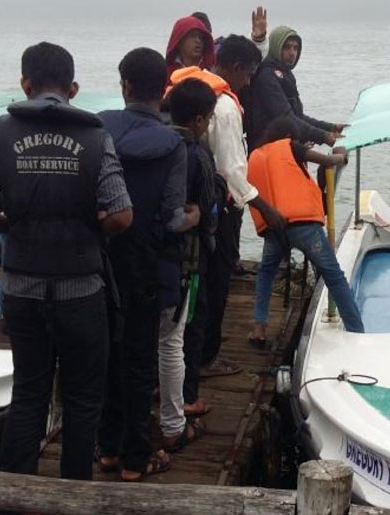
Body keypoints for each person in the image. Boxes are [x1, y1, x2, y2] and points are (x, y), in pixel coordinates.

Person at [0, 42, 133, 515]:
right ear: (73, 89)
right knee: (82, 396)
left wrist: (7, 221)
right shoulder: (95, 136)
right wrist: (90, 229)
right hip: (80, 286)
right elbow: (121, 215)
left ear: (25, 84)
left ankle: (12, 511)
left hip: (21, 286)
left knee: (29, 391)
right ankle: (71, 503)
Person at [98, 47, 198, 480]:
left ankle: (106, 449)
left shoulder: (98, 128)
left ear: (124, 86)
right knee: (141, 362)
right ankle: (136, 460)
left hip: (100, 263)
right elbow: (174, 219)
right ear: (164, 91)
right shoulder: (173, 143)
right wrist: (195, 215)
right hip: (146, 265)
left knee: (107, 357)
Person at [166, 35, 285, 379]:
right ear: (235, 68)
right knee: (215, 282)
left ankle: (191, 350)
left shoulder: (191, 85)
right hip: (218, 206)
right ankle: (207, 356)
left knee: (192, 281)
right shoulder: (227, 107)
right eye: (247, 75)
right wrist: (266, 207)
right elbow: (232, 169)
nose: (248, 83)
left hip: (183, 198)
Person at [247, 118, 364, 340]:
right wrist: (341, 151)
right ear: (290, 135)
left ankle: (259, 327)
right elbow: (328, 161)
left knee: (266, 274)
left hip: (274, 228)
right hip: (303, 227)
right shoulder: (291, 146)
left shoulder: (255, 155)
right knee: (334, 276)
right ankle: (356, 330)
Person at [167, 77, 219, 437]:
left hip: (162, 256)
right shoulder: (198, 155)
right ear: (199, 120)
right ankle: (187, 396)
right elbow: (206, 208)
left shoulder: (162, 146)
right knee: (192, 326)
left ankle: (169, 390)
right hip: (192, 256)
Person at [243, 25, 346, 150]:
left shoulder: (285, 74)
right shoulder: (266, 76)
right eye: (287, 47)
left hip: (285, 148)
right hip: (267, 151)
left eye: (296, 48)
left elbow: (297, 115)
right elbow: (286, 117)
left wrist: (331, 128)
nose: (292, 53)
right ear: (276, 46)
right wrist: (323, 136)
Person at [192, 7, 269, 57]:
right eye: (193, 35)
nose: (198, 40)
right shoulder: (180, 65)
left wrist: (258, 40)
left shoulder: (222, 54)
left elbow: (250, 62)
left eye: (203, 36)